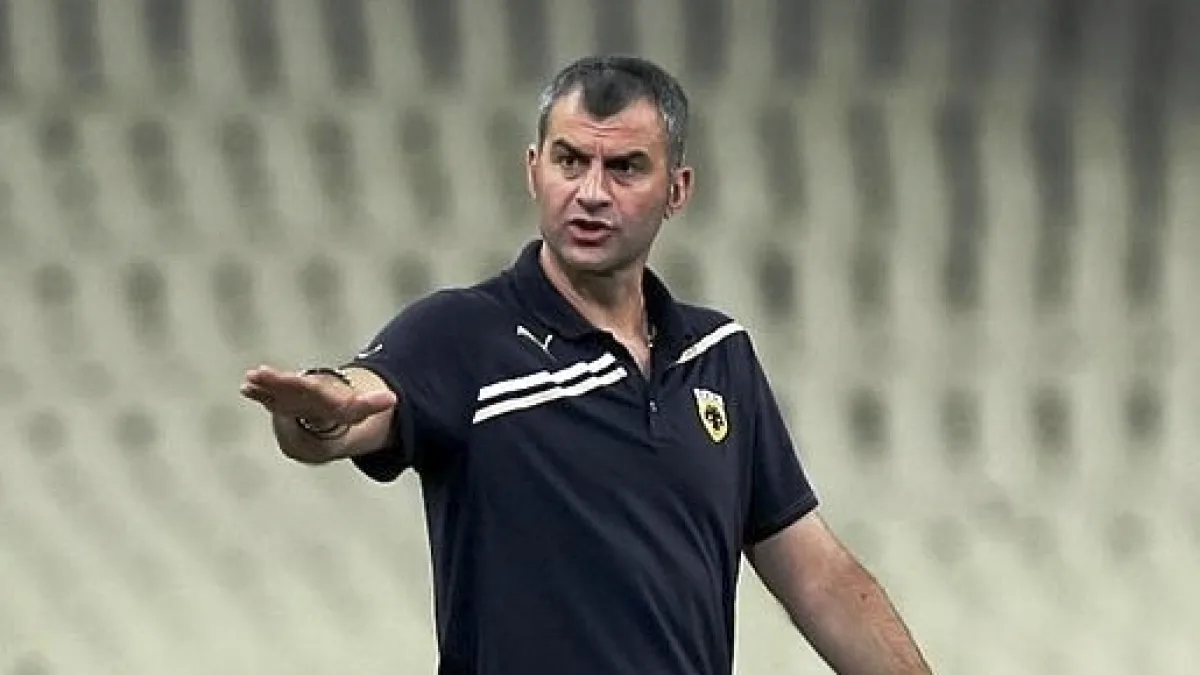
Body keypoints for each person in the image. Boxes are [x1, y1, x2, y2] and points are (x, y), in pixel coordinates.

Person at [239, 55, 932, 675]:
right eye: (570, 161)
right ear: (533, 169)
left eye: (625, 167)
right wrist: (320, 411)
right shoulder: (463, 335)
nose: (591, 192)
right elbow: (351, 411)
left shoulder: (718, 355)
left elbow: (818, 577)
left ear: (677, 189)